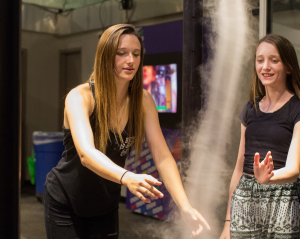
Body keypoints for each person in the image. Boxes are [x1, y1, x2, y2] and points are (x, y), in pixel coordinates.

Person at [44, 24, 210, 239]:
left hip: (105, 205)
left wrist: (185, 206)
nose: (130, 60)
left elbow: (162, 157)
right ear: (105, 56)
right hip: (65, 202)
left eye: (136, 54)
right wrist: (127, 177)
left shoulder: (143, 101)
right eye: (121, 54)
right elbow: (86, 154)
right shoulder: (80, 97)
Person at [220, 34, 300, 239]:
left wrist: (268, 178)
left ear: (289, 66)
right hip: (244, 198)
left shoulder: (296, 108)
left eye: (274, 60)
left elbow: (294, 169)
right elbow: (239, 166)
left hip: (283, 197)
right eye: (260, 60)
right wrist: (228, 222)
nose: (265, 66)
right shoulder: (250, 108)